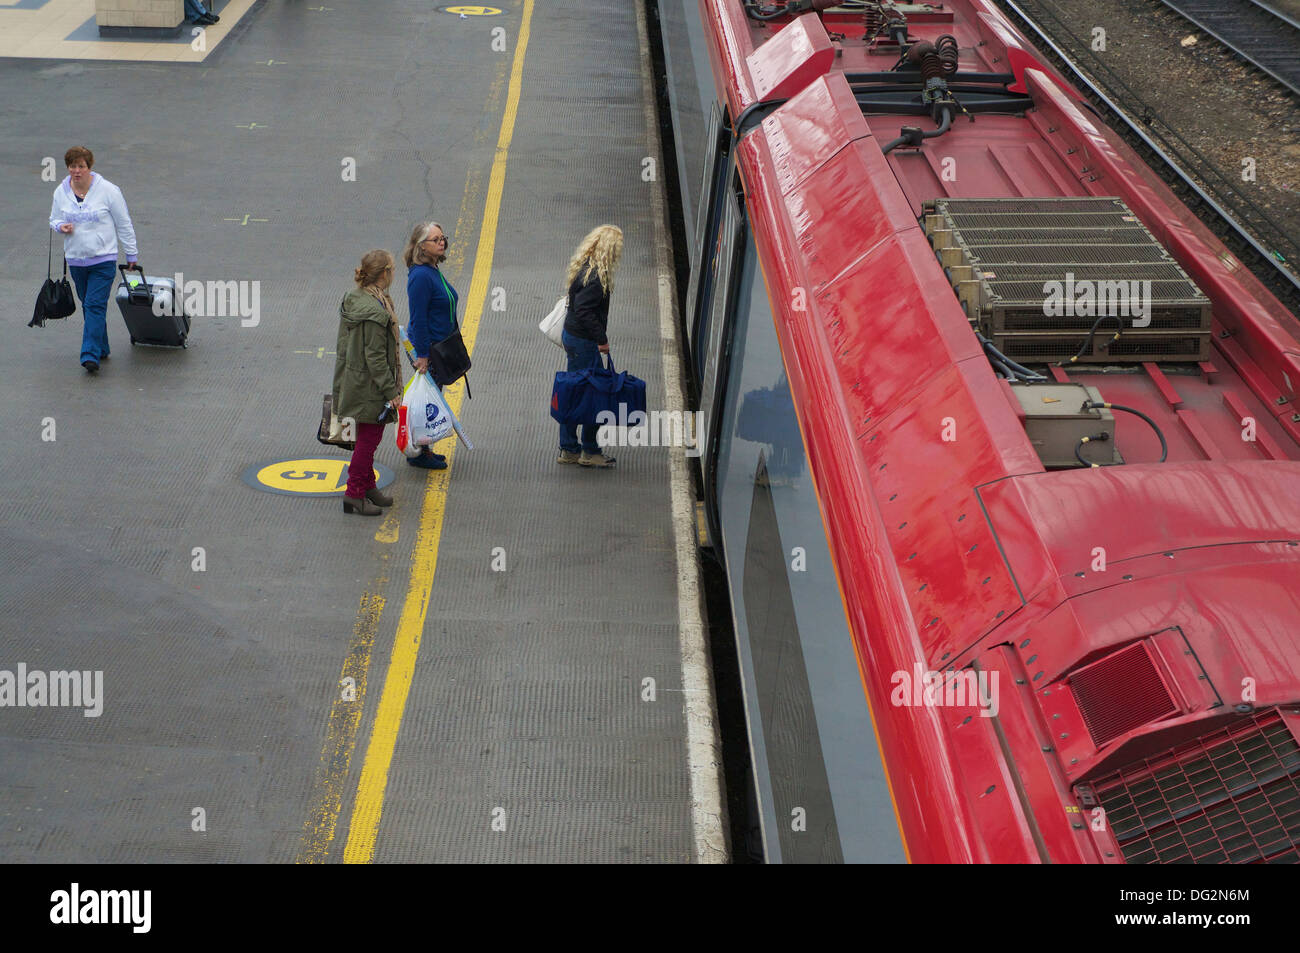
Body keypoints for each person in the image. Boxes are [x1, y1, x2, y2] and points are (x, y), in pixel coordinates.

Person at [48, 146, 141, 373]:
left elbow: (124, 223)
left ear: (89, 167)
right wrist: (61, 226)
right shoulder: (61, 192)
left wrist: (131, 254)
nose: (76, 171)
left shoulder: (109, 191)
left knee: (94, 304)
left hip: (103, 260)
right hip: (76, 261)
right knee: (89, 307)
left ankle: (89, 355)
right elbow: (54, 218)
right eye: (72, 166)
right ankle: (102, 346)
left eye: (81, 166)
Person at [333, 250, 404, 517]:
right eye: (393, 269)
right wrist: (391, 391)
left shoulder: (355, 298)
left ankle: (368, 486)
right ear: (385, 273)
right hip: (369, 387)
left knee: (366, 436)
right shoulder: (376, 311)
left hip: (354, 378)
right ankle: (353, 494)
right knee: (369, 440)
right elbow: (375, 357)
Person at [558, 224, 623, 468]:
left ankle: (569, 449)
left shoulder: (584, 268)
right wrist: (601, 340)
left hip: (574, 337)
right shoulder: (596, 278)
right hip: (584, 342)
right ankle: (589, 450)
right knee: (593, 394)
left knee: (574, 392)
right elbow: (585, 311)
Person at [403, 220, 458, 471]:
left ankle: (425, 448)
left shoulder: (432, 269)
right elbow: (419, 319)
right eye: (435, 240)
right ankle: (419, 452)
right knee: (427, 402)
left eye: (442, 237)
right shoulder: (421, 276)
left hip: (439, 344)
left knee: (432, 397)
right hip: (429, 348)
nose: (442, 242)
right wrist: (422, 355)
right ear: (421, 247)